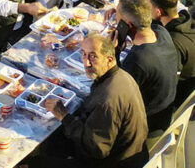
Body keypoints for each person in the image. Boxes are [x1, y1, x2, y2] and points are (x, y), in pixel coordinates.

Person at [40, 34, 148, 168]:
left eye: (93, 56)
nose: (86, 63)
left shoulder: (107, 100)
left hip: (113, 161)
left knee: (36, 161)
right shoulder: (122, 76)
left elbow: (96, 149)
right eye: (84, 54)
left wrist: (64, 115)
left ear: (109, 59)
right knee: (53, 142)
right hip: (126, 151)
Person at [115, 0, 179, 132]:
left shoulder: (138, 59)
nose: (115, 21)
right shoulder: (161, 32)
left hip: (146, 125)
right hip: (164, 114)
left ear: (128, 26)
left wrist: (114, 53)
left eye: (117, 18)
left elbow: (115, 91)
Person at [146, 0, 195, 106]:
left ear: (158, 11)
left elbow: (164, 83)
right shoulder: (188, 22)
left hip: (176, 99)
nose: (145, 11)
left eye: (147, 7)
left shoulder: (171, 43)